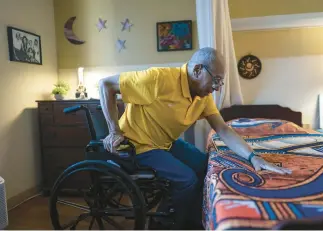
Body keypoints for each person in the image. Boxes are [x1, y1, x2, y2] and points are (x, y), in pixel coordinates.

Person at [98, 47, 292, 229]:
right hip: (137, 146)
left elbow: (223, 129)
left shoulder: (203, 97)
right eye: (215, 80)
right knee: (187, 179)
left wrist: (253, 157)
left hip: (164, 143)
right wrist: (114, 130)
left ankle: (191, 212)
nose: (216, 87)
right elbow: (106, 84)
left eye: (220, 82)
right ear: (198, 69)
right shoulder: (158, 79)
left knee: (205, 165)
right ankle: (170, 224)